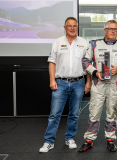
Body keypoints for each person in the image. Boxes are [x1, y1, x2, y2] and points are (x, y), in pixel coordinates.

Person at [78, 20, 117, 152]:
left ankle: (110, 139)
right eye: (110, 29)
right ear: (105, 30)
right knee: (94, 112)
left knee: (112, 113)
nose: (113, 31)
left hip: (115, 84)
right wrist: (95, 72)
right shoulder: (94, 44)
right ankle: (89, 140)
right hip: (98, 84)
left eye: (115, 29)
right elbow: (85, 61)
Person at [39, 17, 91, 153]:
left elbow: (88, 65)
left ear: (77, 27)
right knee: (54, 114)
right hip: (60, 82)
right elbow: (52, 62)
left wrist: (88, 82)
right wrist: (52, 80)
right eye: (70, 26)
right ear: (65, 27)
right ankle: (49, 141)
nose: (72, 28)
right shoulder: (57, 42)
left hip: (79, 82)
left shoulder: (84, 43)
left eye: (75, 26)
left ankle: (70, 138)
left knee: (74, 114)